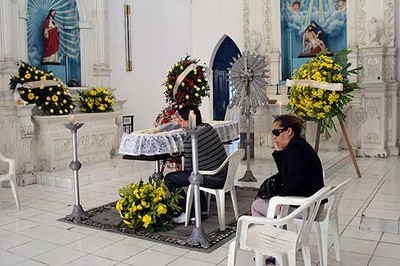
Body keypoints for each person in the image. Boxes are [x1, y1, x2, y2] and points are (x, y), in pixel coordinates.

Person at [164, 104, 228, 224]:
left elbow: (189, 170)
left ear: (189, 122)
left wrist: (178, 162)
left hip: (213, 178)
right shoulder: (208, 127)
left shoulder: (191, 139)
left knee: (170, 178)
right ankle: (202, 209)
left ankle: (188, 212)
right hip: (222, 173)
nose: (180, 124)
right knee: (198, 170)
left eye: (181, 121)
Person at [251, 114, 325, 217]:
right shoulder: (298, 145)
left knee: (256, 206)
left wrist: (282, 197)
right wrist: (280, 151)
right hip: (311, 203)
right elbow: (285, 173)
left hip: (306, 206)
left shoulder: (297, 149)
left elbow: (294, 179)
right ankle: (275, 230)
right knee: (272, 204)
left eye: (276, 133)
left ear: (289, 131)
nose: (274, 137)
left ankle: (270, 232)